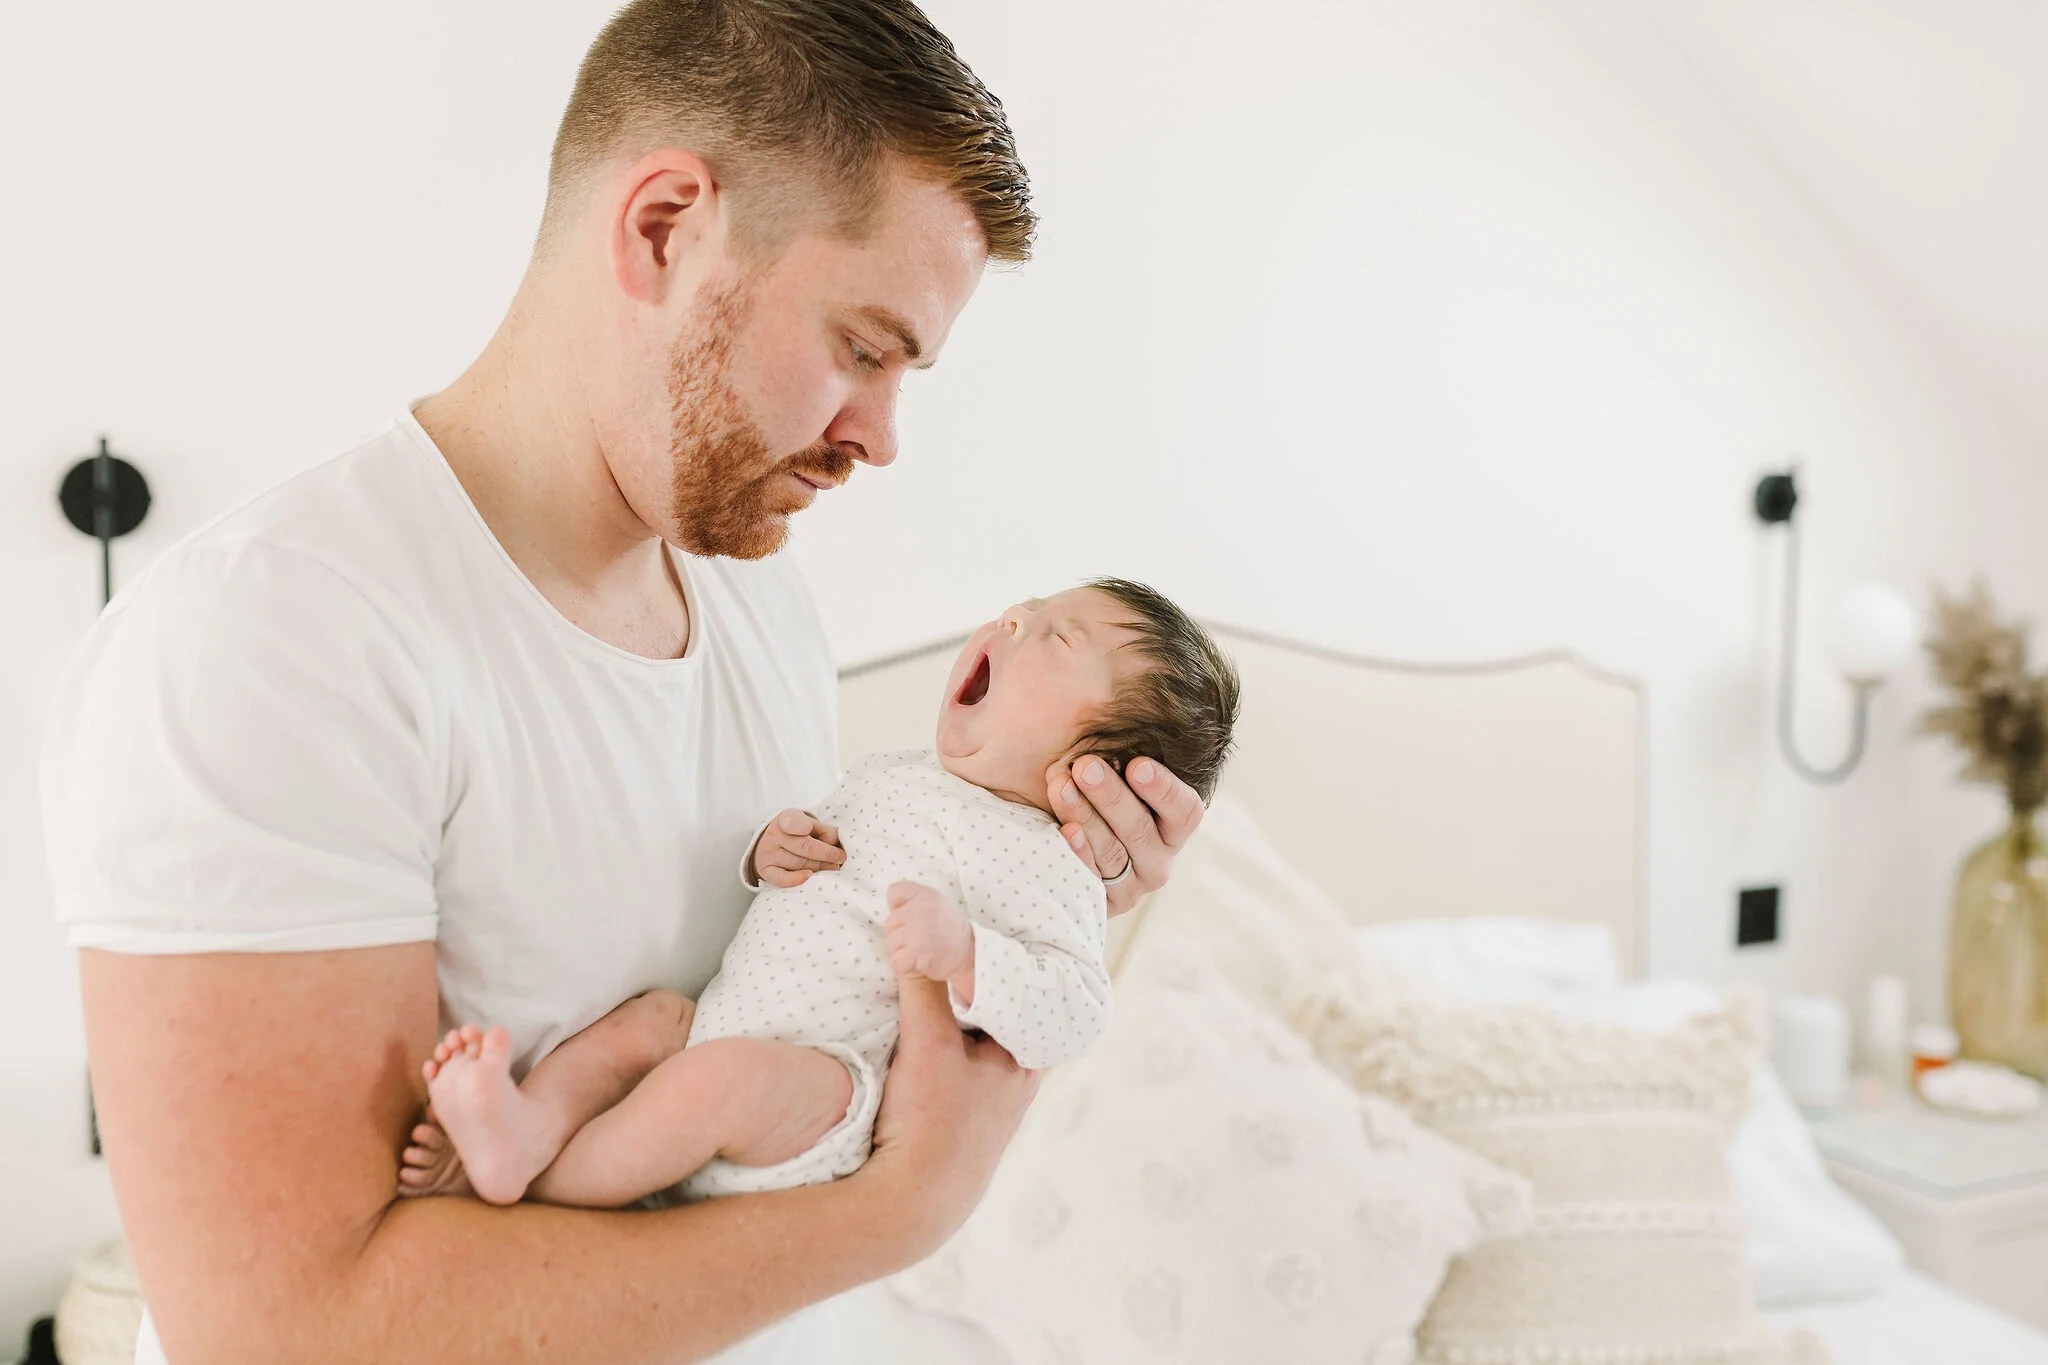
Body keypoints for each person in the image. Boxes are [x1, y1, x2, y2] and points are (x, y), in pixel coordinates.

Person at [38, 4, 1208, 1362]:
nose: (882, 438)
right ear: (662, 229)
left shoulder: (758, 601)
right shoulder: (271, 642)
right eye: (862, 348)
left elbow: (804, 1013)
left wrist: (1038, 883)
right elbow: (287, 1332)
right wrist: (901, 1212)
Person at [400, 581, 1241, 1210]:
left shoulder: (1048, 857)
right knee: (650, 1021)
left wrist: (969, 955)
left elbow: (1079, 1008)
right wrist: (770, 851)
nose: (1015, 617)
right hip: (726, 1019)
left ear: (1097, 766)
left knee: (716, 1082)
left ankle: (544, 1187)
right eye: (1029, 606)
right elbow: (820, 862)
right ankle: (525, 1128)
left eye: (1059, 636)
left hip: (826, 1093)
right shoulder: (898, 772)